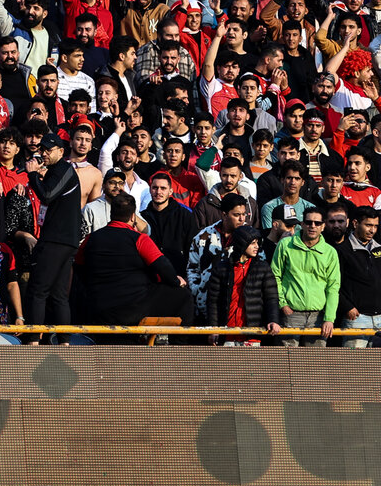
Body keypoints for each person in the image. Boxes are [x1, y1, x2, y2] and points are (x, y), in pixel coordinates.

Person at [73, 193, 192, 331]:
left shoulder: (91, 238)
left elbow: (78, 267)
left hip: (98, 306)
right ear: (133, 217)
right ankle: (180, 346)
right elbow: (164, 267)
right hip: (133, 309)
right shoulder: (140, 239)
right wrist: (177, 281)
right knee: (184, 296)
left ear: (111, 214)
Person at [25, 133, 83, 329]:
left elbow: (47, 195)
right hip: (63, 239)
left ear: (61, 151)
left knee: (38, 290)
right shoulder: (56, 171)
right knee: (58, 294)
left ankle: (33, 339)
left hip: (57, 239)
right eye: (42, 150)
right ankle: (64, 341)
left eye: (48, 150)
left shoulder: (63, 169)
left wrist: (32, 174)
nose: (44, 154)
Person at [270, 207, 340, 347]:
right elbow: (274, 276)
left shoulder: (330, 252)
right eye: (308, 222)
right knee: (287, 363)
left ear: (323, 226)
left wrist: (329, 318)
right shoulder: (285, 245)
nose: (312, 226)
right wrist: (282, 304)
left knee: (314, 365)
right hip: (291, 314)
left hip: (318, 316)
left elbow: (333, 287)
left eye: (317, 223)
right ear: (302, 224)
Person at [205, 225, 281, 345]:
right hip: (226, 334)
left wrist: (273, 320)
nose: (257, 246)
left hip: (253, 334)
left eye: (257, 243)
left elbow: (271, 298)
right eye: (252, 243)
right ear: (242, 244)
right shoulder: (221, 267)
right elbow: (213, 301)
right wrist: (213, 328)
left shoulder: (263, 267)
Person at [335, 206, 381, 348]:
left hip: (380, 317)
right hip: (356, 318)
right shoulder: (341, 251)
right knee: (353, 367)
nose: (372, 230)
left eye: (375, 226)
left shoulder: (379, 248)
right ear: (355, 223)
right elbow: (333, 284)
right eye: (368, 225)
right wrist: (347, 307)